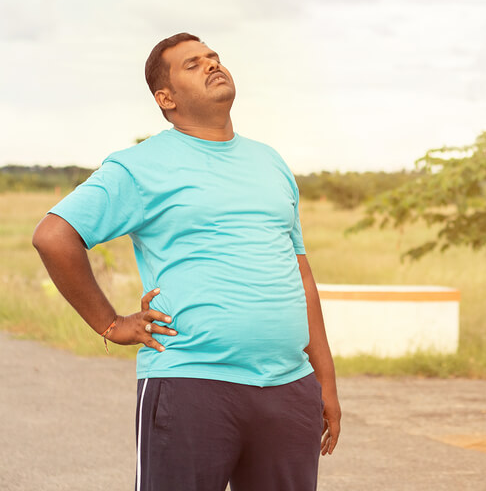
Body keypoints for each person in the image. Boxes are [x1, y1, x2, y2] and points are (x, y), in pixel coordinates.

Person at [31, 32, 340, 491]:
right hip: (191, 383)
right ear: (166, 98)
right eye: (193, 64)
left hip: (288, 388)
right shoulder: (139, 166)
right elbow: (54, 236)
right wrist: (111, 324)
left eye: (213, 57)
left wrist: (324, 381)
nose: (212, 64)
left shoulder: (270, 162)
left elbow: (301, 275)